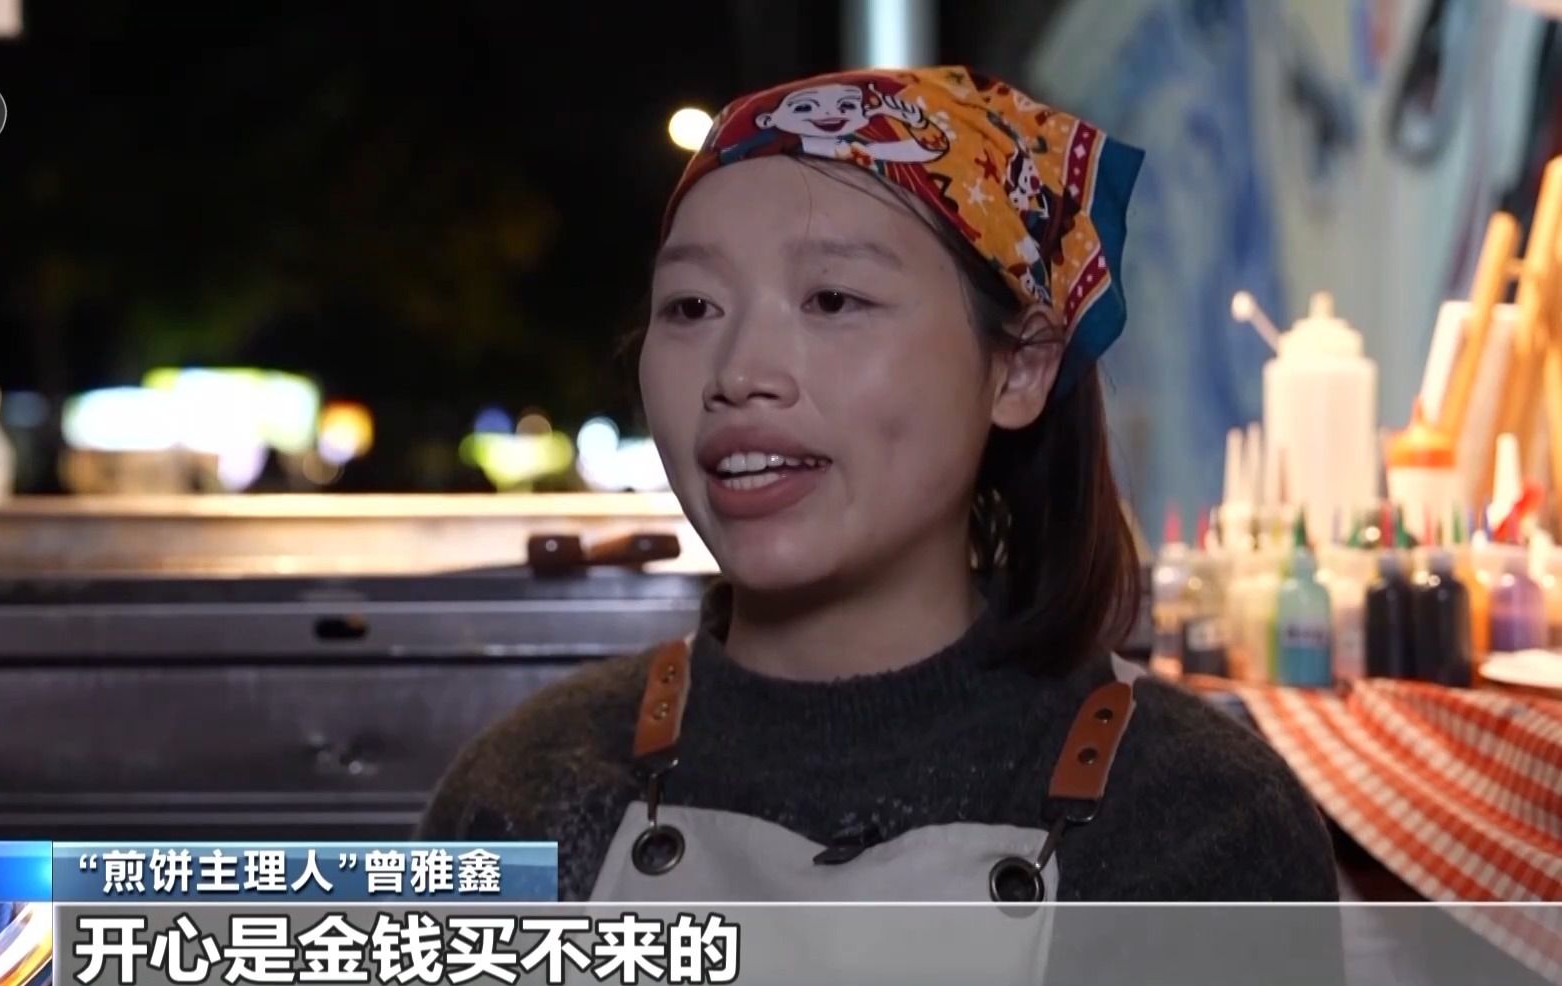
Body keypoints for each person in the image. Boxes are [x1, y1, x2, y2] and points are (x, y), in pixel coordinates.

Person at [419, 66, 1339, 920]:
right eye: (693, 307)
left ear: (1020, 368)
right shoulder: (525, 791)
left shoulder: (1196, 820)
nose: (739, 373)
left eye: (832, 300)